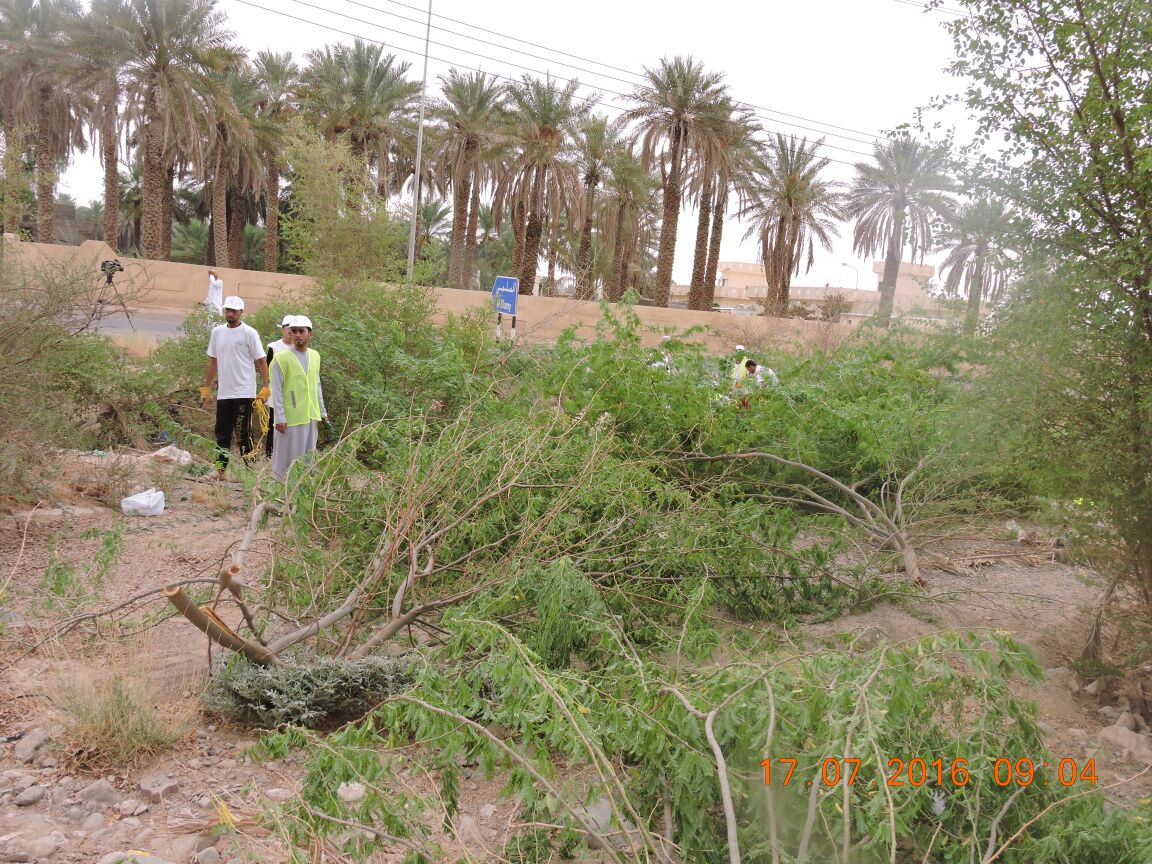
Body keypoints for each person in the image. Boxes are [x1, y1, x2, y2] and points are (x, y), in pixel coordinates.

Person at [201, 296, 270, 480]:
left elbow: (261, 361)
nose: (230, 314)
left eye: (234, 311)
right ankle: (220, 470)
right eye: (227, 310)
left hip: (244, 391)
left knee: (243, 433)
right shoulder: (217, 332)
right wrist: (206, 387)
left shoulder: (249, 333)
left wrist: (266, 386)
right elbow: (213, 361)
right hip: (224, 392)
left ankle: (251, 473)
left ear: (241, 312)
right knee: (221, 433)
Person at [270, 315, 328, 481]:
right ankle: (278, 495)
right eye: (294, 331)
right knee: (286, 459)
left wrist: (322, 411)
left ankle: (301, 495)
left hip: (310, 415)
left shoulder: (315, 356)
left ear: (310, 334)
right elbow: (277, 390)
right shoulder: (281, 358)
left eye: (301, 331)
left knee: (307, 459)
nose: (297, 335)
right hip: (290, 418)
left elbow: (316, 384)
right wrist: (280, 417)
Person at [264, 316, 295, 458]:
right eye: (287, 326)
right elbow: (267, 369)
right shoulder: (274, 347)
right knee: (273, 425)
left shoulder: (299, 348)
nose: (290, 329)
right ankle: (269, 457)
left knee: (292, 426)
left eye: (292, 327)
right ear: (283, 328)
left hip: (293, 394)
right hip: (276, 393)